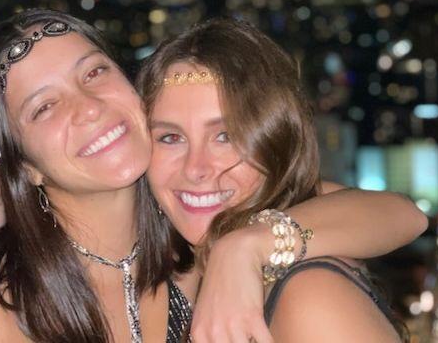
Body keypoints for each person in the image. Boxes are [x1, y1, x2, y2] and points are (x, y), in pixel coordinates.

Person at [0, 10, 426, 342]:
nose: (89, 107)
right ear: (24, 164)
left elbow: (397, 213)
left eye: (94, 72)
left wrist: (244, 248)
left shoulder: (191, 215)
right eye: (45, 107)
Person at [136, 17, 413, 341]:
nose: (195, 168)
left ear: (276, 141)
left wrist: (243, 247)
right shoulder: (166, 262)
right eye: (170, 138)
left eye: (226, 136)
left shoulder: (312, 298)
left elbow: (405, 213)